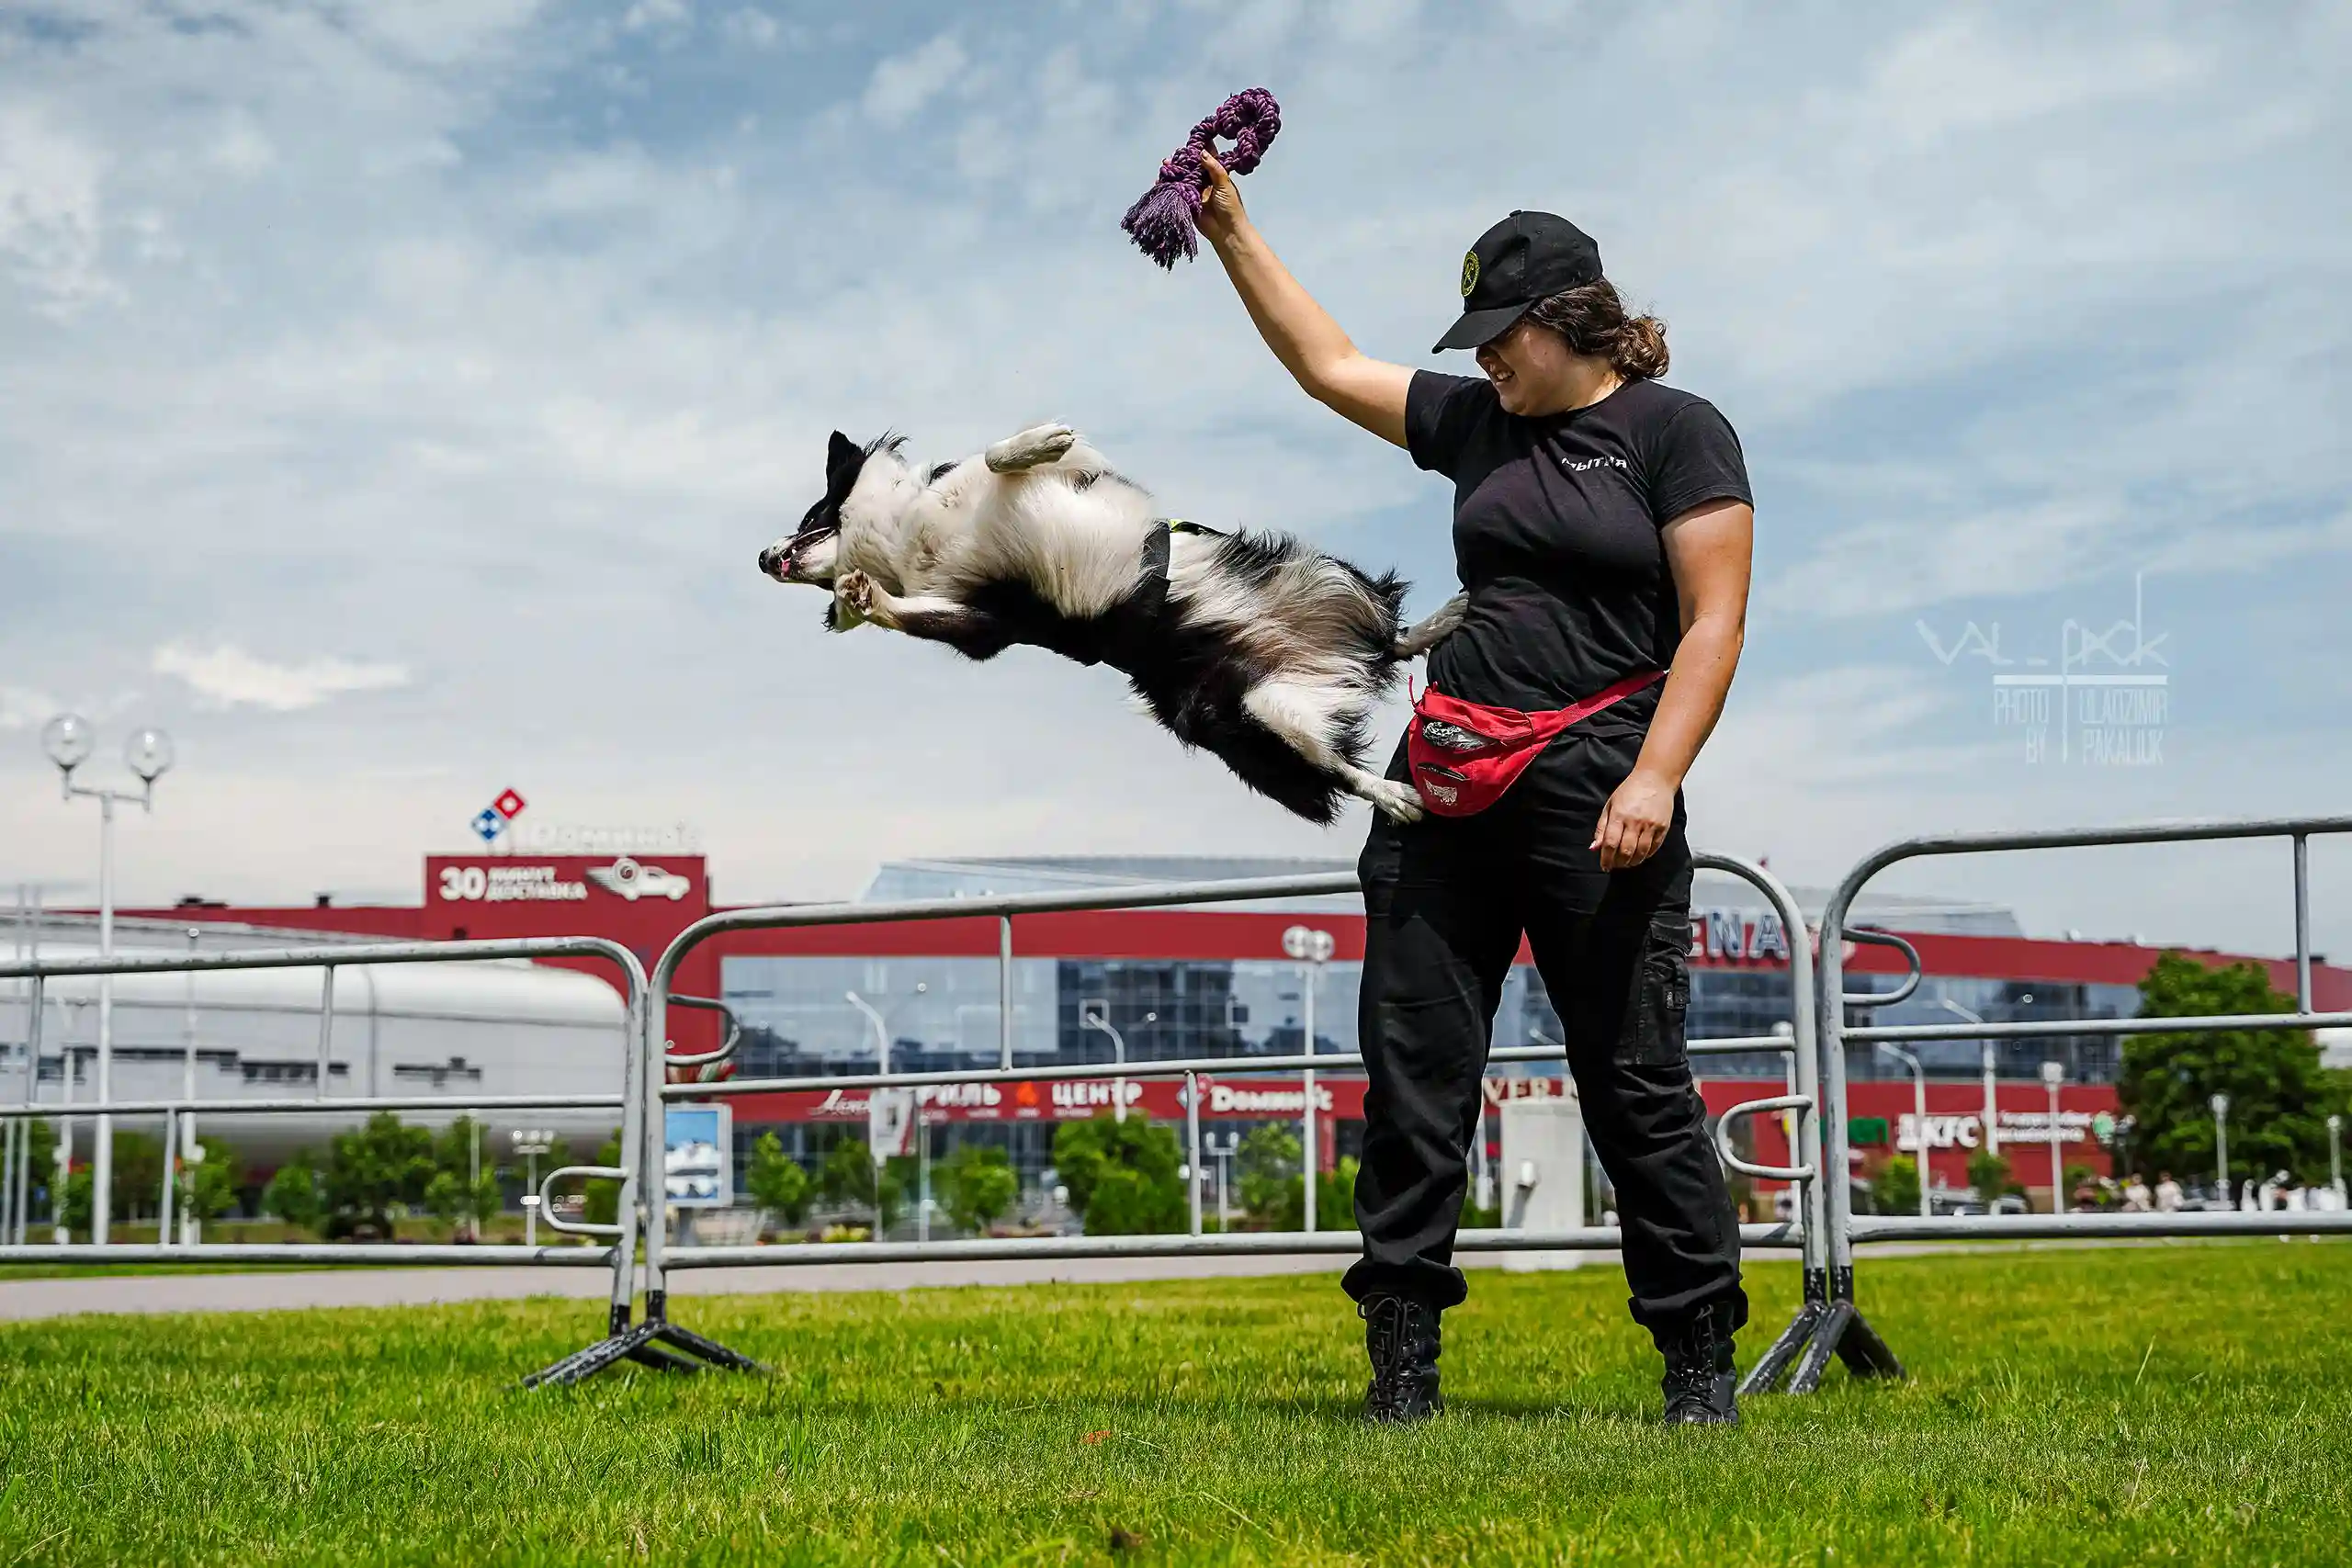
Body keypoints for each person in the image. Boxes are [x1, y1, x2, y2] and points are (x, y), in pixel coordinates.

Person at [1196, 160, 1756, 1426]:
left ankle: (1698, 1367)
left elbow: (1715, 620)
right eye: (1477, 345)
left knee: (1634, 1079)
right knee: (1415, 1078)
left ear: (1571, 320)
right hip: (1446, 784)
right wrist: (1233, 231)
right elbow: (1330, 365)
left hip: (1601, 788)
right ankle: (1402, 1369)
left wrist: (1657, 775)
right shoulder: (1474, 426)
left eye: (1501, 338)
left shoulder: (1677, 432)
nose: (1485, 360)